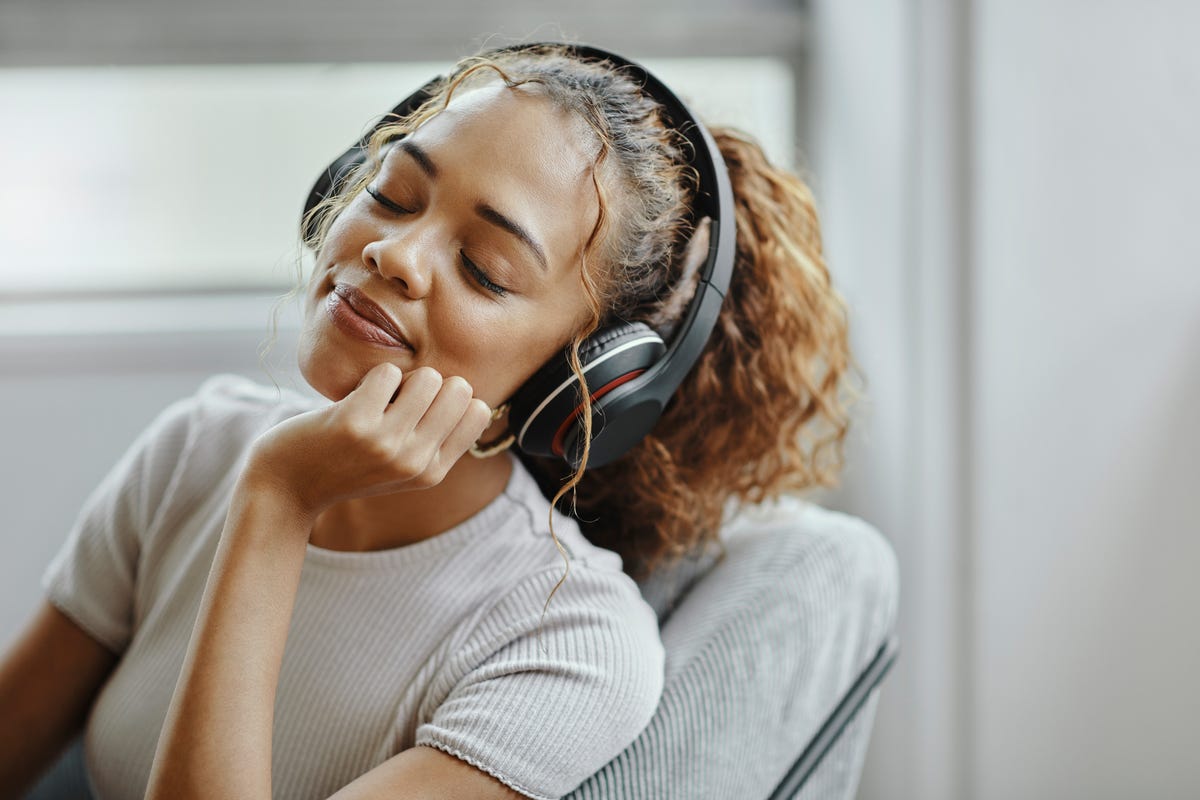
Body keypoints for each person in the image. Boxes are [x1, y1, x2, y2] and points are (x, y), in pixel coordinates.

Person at [0, 43, 854, 800]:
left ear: (583, 380)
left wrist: (276, 505)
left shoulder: (571, 645)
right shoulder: (200, 445)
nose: (393, 254)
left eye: (484, 269)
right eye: (394, 194)